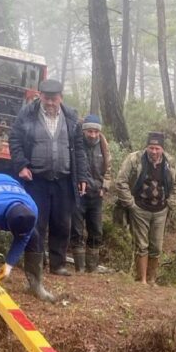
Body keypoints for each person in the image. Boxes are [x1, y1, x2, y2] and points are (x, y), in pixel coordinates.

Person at [8, 78, 90, 279]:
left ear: (61, 98)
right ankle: (36, 261)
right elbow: (15, 140)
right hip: (36, 178)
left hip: (64, 179)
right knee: (36, 222)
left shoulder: (71, 117)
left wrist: (82, 177)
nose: (50, 103)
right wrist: (21, 165)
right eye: (46, 98)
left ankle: (58, 264)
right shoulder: (27, 114)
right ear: (40, 96)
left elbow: (79, 149)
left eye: (54, 99)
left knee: (62, 223)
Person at [114, 131, 176, 285]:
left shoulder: (169, 162)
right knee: (141, 245)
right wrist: (130, 203)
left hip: (161, 210)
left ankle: (152, 280)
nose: (154, 151)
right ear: (147, 147)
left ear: (162, 149)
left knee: (156, 246)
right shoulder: (134, 159)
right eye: (151, 148)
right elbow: (121, 181)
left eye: (157, 148)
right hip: (140, 208)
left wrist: (172, 203)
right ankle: (141, 280)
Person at [70, 114, 111, 274]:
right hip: (79, 195)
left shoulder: (103, 145)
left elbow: (108, 169)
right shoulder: (77, 144)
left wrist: (105, 187)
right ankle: (79, 268)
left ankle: (92, 268)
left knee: (96, 230)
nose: (93, 135)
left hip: (97, 195)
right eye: (90, 131)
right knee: (77, 230)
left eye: (96, 131)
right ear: (84, 131)